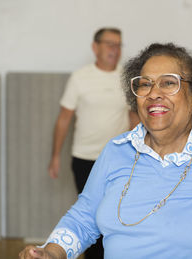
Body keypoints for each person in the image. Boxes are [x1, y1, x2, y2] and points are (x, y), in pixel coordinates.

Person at [20, 43, 192, 259]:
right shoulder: (115, 152)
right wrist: (52, 251)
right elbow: (83, 217)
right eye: (144, 84)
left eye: (169, 83)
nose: (154, 93)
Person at [47, 27, 139, 259]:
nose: (114, 49)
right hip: (84, 158)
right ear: (95, 47)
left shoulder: (126, 79)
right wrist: (56, 156)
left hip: (119, 159)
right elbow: (64, 119)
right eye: (109, 43)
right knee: (93, 217)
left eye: (118, 44)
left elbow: (134, 118)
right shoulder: (80, 77)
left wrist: (141, 152)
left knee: (113, 216)